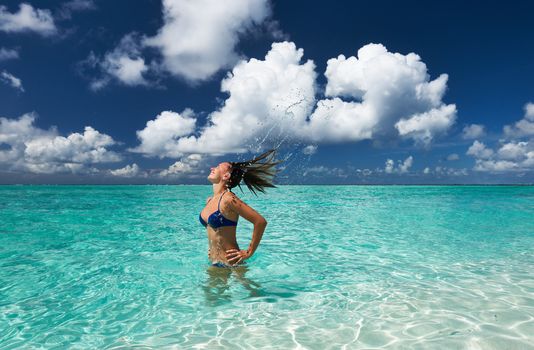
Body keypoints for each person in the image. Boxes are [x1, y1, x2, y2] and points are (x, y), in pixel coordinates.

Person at [199, 149, 281, 268]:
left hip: (231, 265)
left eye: (217, 167)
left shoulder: (228, 199)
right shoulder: (210, 201)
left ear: (226, 176)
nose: (212, 167)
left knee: (251, 287)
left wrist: (249, 252)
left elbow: (260, 221)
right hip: (215, 263)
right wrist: (213, 247)